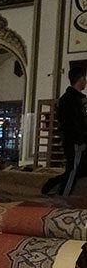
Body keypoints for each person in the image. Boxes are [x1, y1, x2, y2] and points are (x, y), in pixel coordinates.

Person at [42, 66, 87, 195]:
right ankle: (62, 198)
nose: (86, 82)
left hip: (76, 142)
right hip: (75, 143)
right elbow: (70, 124)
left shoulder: (75, 99)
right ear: (81, 79)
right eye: (85, 79)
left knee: (79, 170)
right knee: (73, 170)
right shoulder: (69, 100)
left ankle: (53, 183)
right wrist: (80, 141)